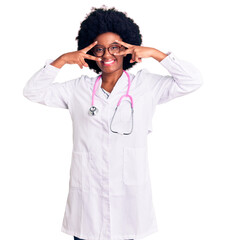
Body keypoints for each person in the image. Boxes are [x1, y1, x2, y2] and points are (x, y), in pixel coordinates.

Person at [23, 5, 203, 240]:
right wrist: (61, 60)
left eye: (115, 47)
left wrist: (156, 54)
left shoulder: (146, 86)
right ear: (89, 52)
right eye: (99, 49)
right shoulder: (78, 89)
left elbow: (192, 81)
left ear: (128, 48)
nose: (107, 55)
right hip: (88, 202)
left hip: (127, 200)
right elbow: (32, 92)